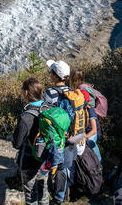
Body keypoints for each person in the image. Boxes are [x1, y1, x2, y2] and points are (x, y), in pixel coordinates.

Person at [12, 77, 50, 205]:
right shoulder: (48, 108)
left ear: (27, 93)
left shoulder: (26, 116)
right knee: (44, 194)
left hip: (29, 161)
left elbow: (17, 143)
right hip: (46, 159)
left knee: (30, 196)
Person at [45, 59, 75, 205]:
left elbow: (44, 115)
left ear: (55, 76)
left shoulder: (49, 93)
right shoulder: (73, 93)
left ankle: (51, 193)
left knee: (51, 164)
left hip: (54, 137)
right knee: (64, 167)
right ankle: (61, 196)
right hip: (69, 136)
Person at [70, 70, 101, 163]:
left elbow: (94, 130)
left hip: (89, 132)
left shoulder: (88, 109)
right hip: (84, 132)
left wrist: (83, 138)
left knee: (90, 145)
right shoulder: (81, 109)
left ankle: (98, 165)